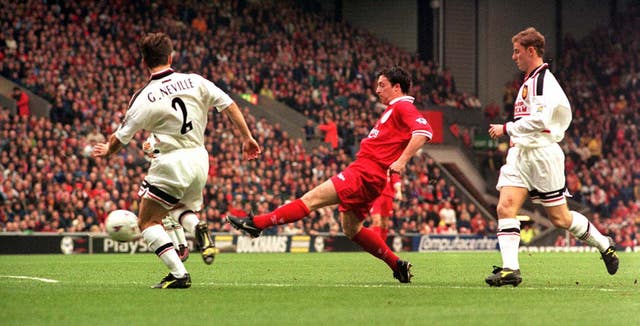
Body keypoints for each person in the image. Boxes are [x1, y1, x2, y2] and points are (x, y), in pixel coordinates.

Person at [227, 66, 432, 283]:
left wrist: (402, 160)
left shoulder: (403, 107)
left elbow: (425, 131)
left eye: (382, 85)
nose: (377, 90)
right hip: (372, 176)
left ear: (397, 87)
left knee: (310, 200)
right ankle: (396, 265)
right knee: (351, 228)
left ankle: (256, 224)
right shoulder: (392, 109)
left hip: (365, 172)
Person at [92, 32, 261, 289]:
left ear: (144, 62)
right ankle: (198, 230)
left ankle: (179, 274)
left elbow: (121, 137)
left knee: (147, 222)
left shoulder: (144, 97)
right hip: (200, 159)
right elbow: (229, 105)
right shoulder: (195, 81)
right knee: (180, 208)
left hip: (171, 161)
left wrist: (108, 151)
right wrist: (247, 137)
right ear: (171, 57)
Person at [485, 27, 618, 287]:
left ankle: (604, 244)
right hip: (521, 154)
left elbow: (541, 120)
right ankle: (511, 269)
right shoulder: (528, 80)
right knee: (505, 207)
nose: (513, 57)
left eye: (517, 51)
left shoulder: (544, 80)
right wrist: (515, 138)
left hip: (543, 155)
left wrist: (507, 128)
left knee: (560, 219)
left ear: (531, 51)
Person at [369, 173, 402, 241]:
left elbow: (395, 180)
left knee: (385, 224)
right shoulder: (374, 165)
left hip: (388, 197)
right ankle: (376, 245)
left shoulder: (391, 166)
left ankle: (382, 245)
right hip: (376, 195)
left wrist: (398, 191)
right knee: (376, 221)